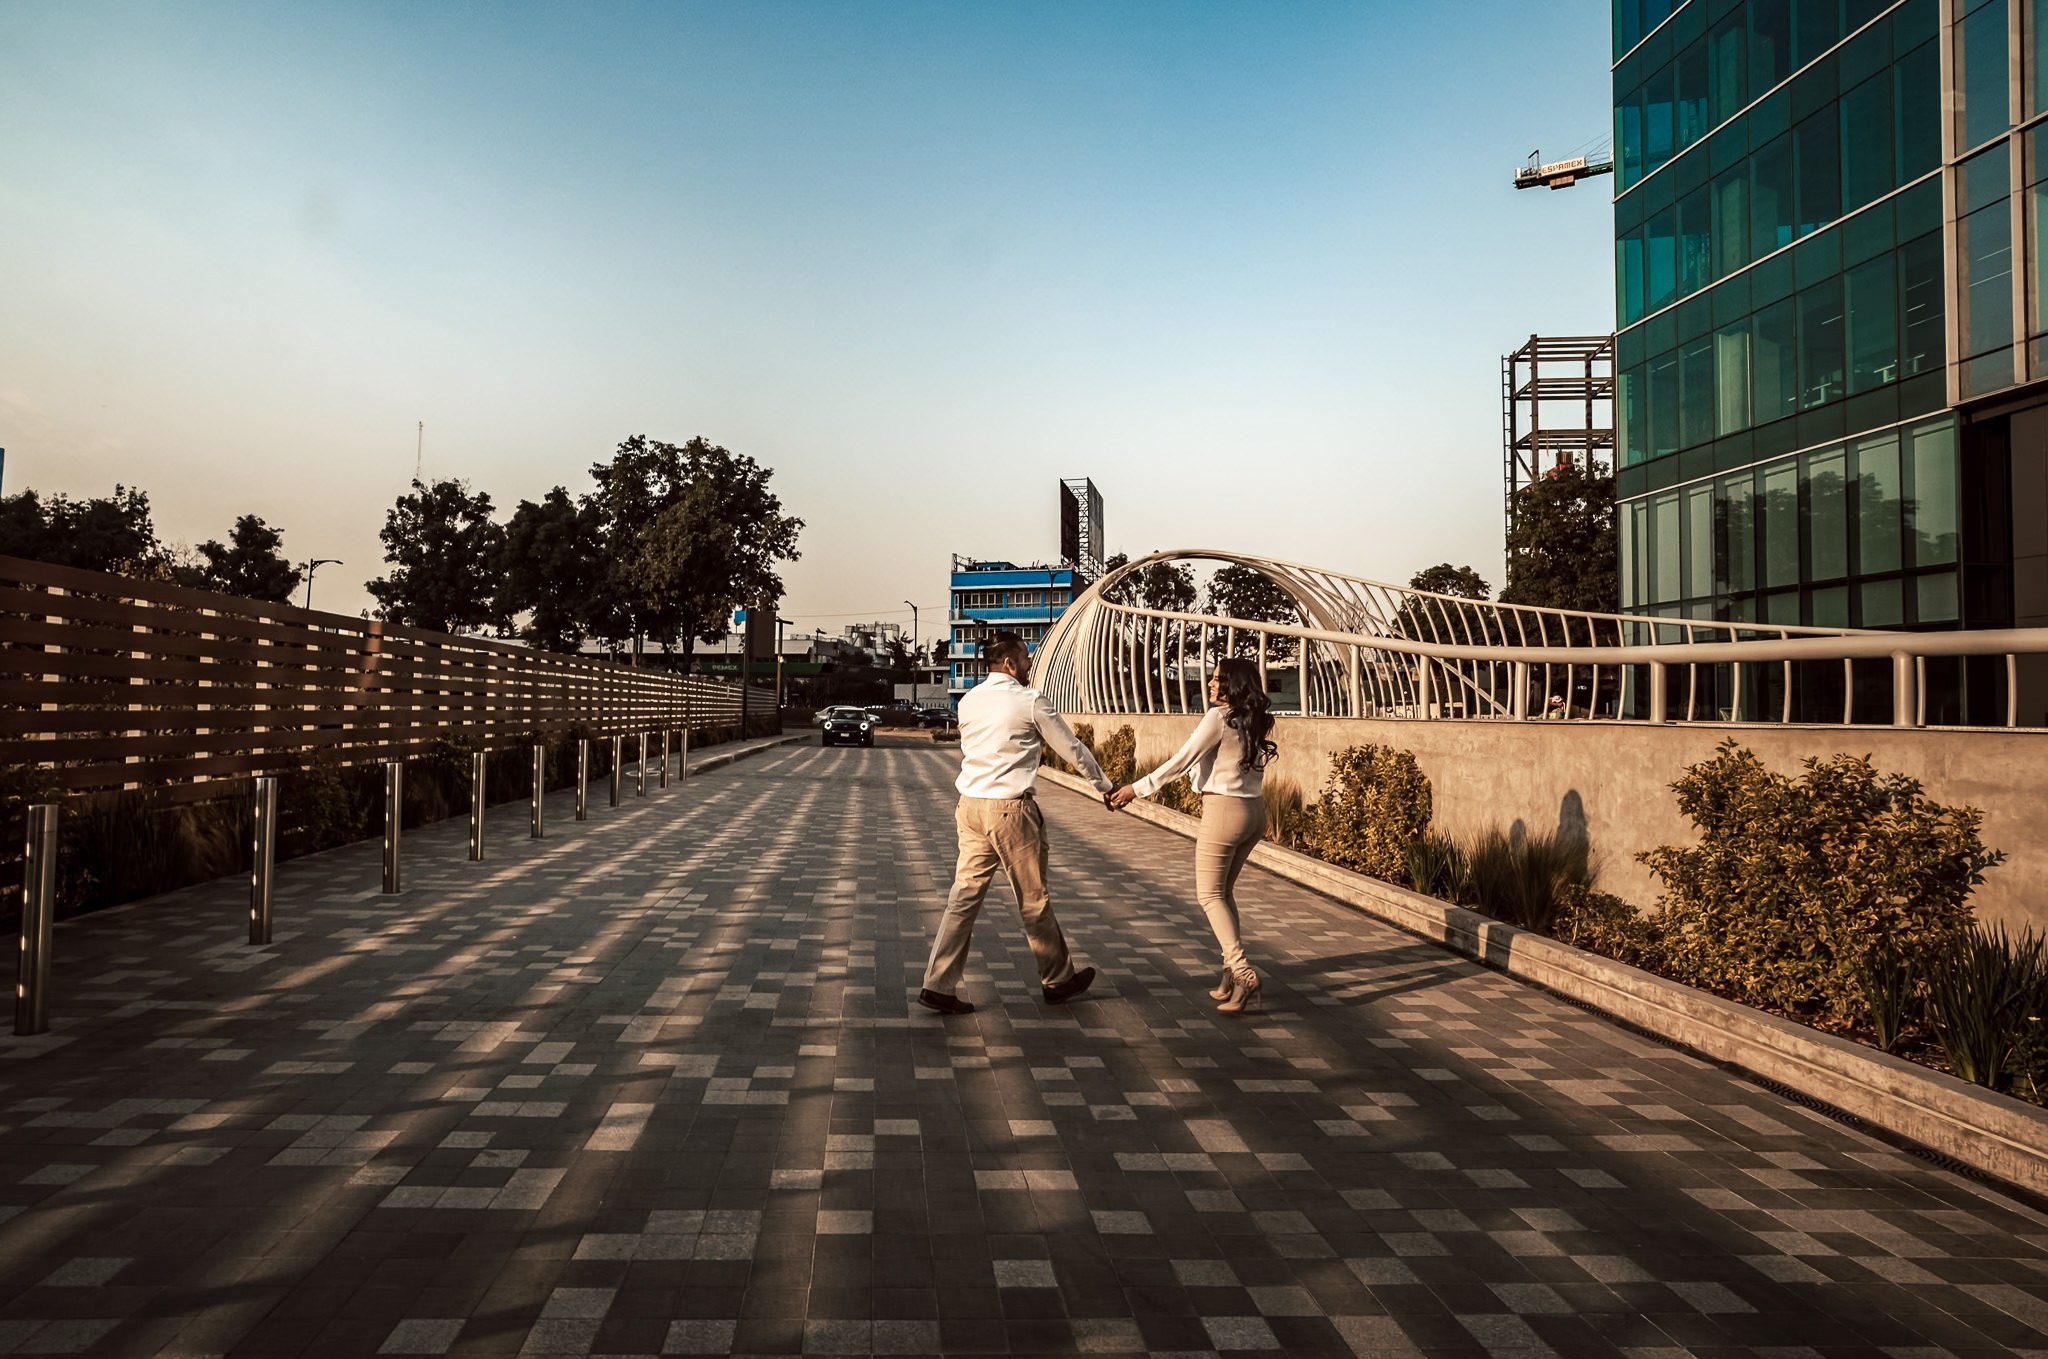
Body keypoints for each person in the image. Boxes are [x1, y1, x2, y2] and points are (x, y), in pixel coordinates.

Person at [918, 631, 1115, 1016]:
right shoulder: (1029, 700)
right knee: (1033, 899)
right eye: (1025, 658)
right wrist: (1104, 786)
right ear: (1009, 663)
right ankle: (1057, 980)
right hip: (1010, 810)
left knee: (963, 897)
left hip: (970, 807)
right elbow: (1072, 749)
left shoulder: (969, 701)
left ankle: (937, 984)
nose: (1029, 665)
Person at [1107, 657, 1276, 1013]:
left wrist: (1134, 790)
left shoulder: (1218, 718)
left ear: (1235, 685)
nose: (1211, 685)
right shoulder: (1256, 718)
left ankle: (1244, 973)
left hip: (1224, 811)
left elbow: (1181, 760)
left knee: (1209, 896)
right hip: (1255, 812)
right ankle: (1229, 974)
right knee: (1224, 893)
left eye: (1218, 680)